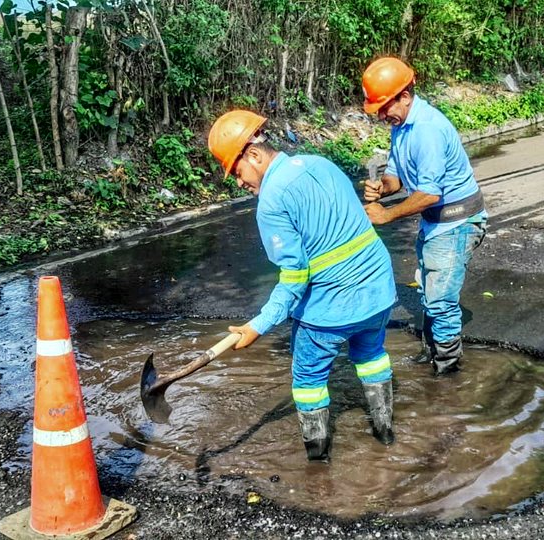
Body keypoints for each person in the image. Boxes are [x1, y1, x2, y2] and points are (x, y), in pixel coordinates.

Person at [208, 110, 399, 462]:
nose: (237, 182)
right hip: (378, 291)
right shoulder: (319, 163)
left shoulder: (271, 202)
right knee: (371, 357)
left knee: (309, 380)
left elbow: (293, 279)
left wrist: (257, 326)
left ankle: (317, 461)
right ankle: (386, 434)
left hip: (331, 306)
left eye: (235, 171)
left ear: (253, 154)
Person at [359, 57, 487, 377]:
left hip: (456, 221)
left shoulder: (427, 130)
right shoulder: (402, 126)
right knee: (429, 291)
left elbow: (431, 194)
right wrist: (382, 188)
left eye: (385, 107)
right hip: (437, 221)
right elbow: (397, 176)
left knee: (440, 301)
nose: (382, 116)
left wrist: (386, 215)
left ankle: (447, 373)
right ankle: (433, 353)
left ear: (405, 95)